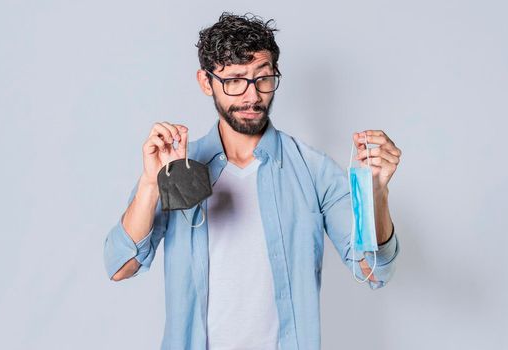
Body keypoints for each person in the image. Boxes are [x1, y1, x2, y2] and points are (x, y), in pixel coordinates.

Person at [103, 12, 402, 350]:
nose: (252, 96)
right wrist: (150, 184)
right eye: (234, 80)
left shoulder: (314, 170)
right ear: (206, 82)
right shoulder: (176, 167)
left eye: (263, 78)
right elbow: (121, 266)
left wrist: (376, 193)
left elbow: (374, 271)